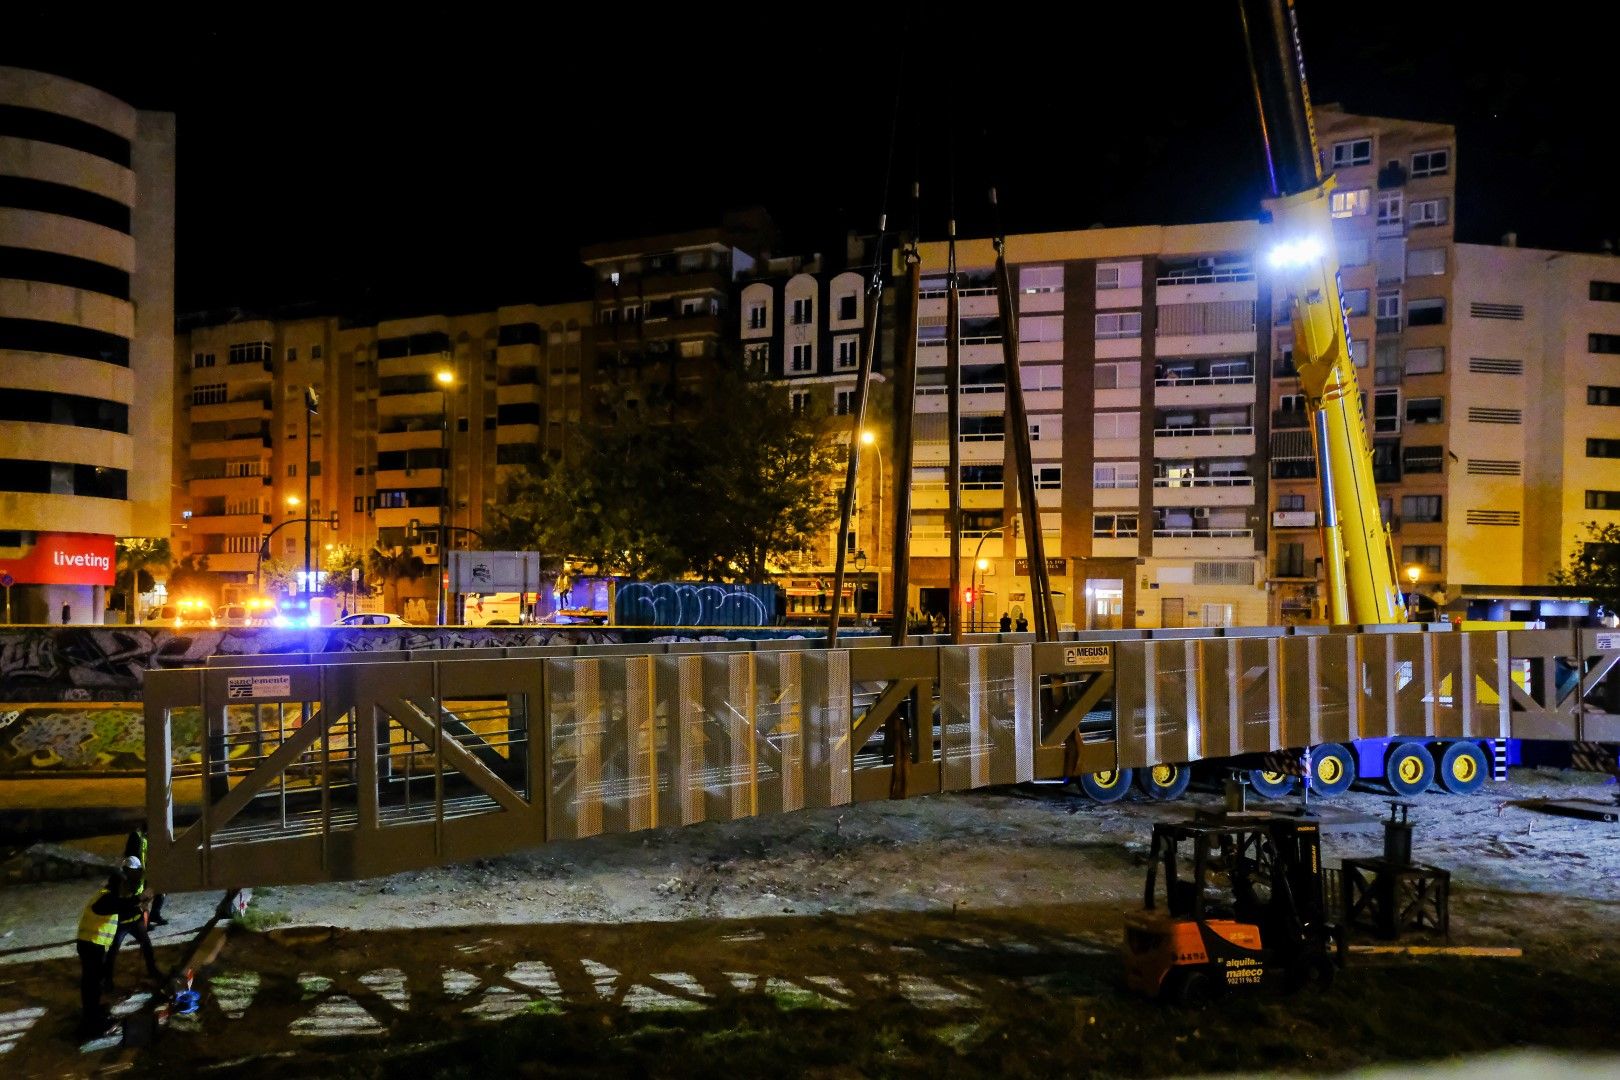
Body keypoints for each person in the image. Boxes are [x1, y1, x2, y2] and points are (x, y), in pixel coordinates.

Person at [77, 859, 144, 1039]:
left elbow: (124, 910)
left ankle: (94, 1013)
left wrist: (137, 908)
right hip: (90, 945)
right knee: (91, 984)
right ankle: (91, 1024)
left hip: (95, 946)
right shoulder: (105, 897)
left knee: (94, 983)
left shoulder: (112, 898)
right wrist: (137, 900)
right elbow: (114, 906)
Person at [104, 855, 163, 994]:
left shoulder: (139, 880)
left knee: (147, 945)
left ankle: (152, 970)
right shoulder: (118, 884)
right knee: (112, 952)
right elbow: (123, 903)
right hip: (121, 923)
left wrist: (145, 904)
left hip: (135, 920)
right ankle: (107, 981)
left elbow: (141, 898)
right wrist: (139, 901)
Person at [123, 823, 166, 927]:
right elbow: (131, 856)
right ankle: (142, 923)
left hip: (149, 871)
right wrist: (136, 872)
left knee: (161, 891)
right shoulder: (136, 836)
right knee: (142, 897)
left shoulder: (149, 836)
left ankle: (154, 915)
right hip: (139, 873)